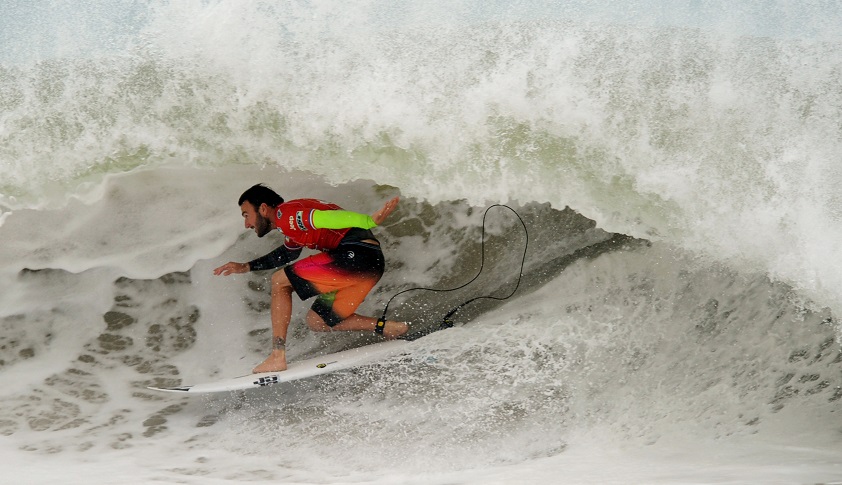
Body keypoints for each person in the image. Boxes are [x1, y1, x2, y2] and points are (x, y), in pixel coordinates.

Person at [213, 184, 408, 373]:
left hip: (354, 254)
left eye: (246, 215)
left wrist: (368, 221)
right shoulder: (290, 226)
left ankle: (277, 356)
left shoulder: (286, 215)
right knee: (317, 321)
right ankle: (389, 328)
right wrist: (247, 266)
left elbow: (326, 218)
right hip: (370, 265)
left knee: (279, 281)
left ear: (263, 208)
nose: (247, 224)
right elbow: (288, 254)